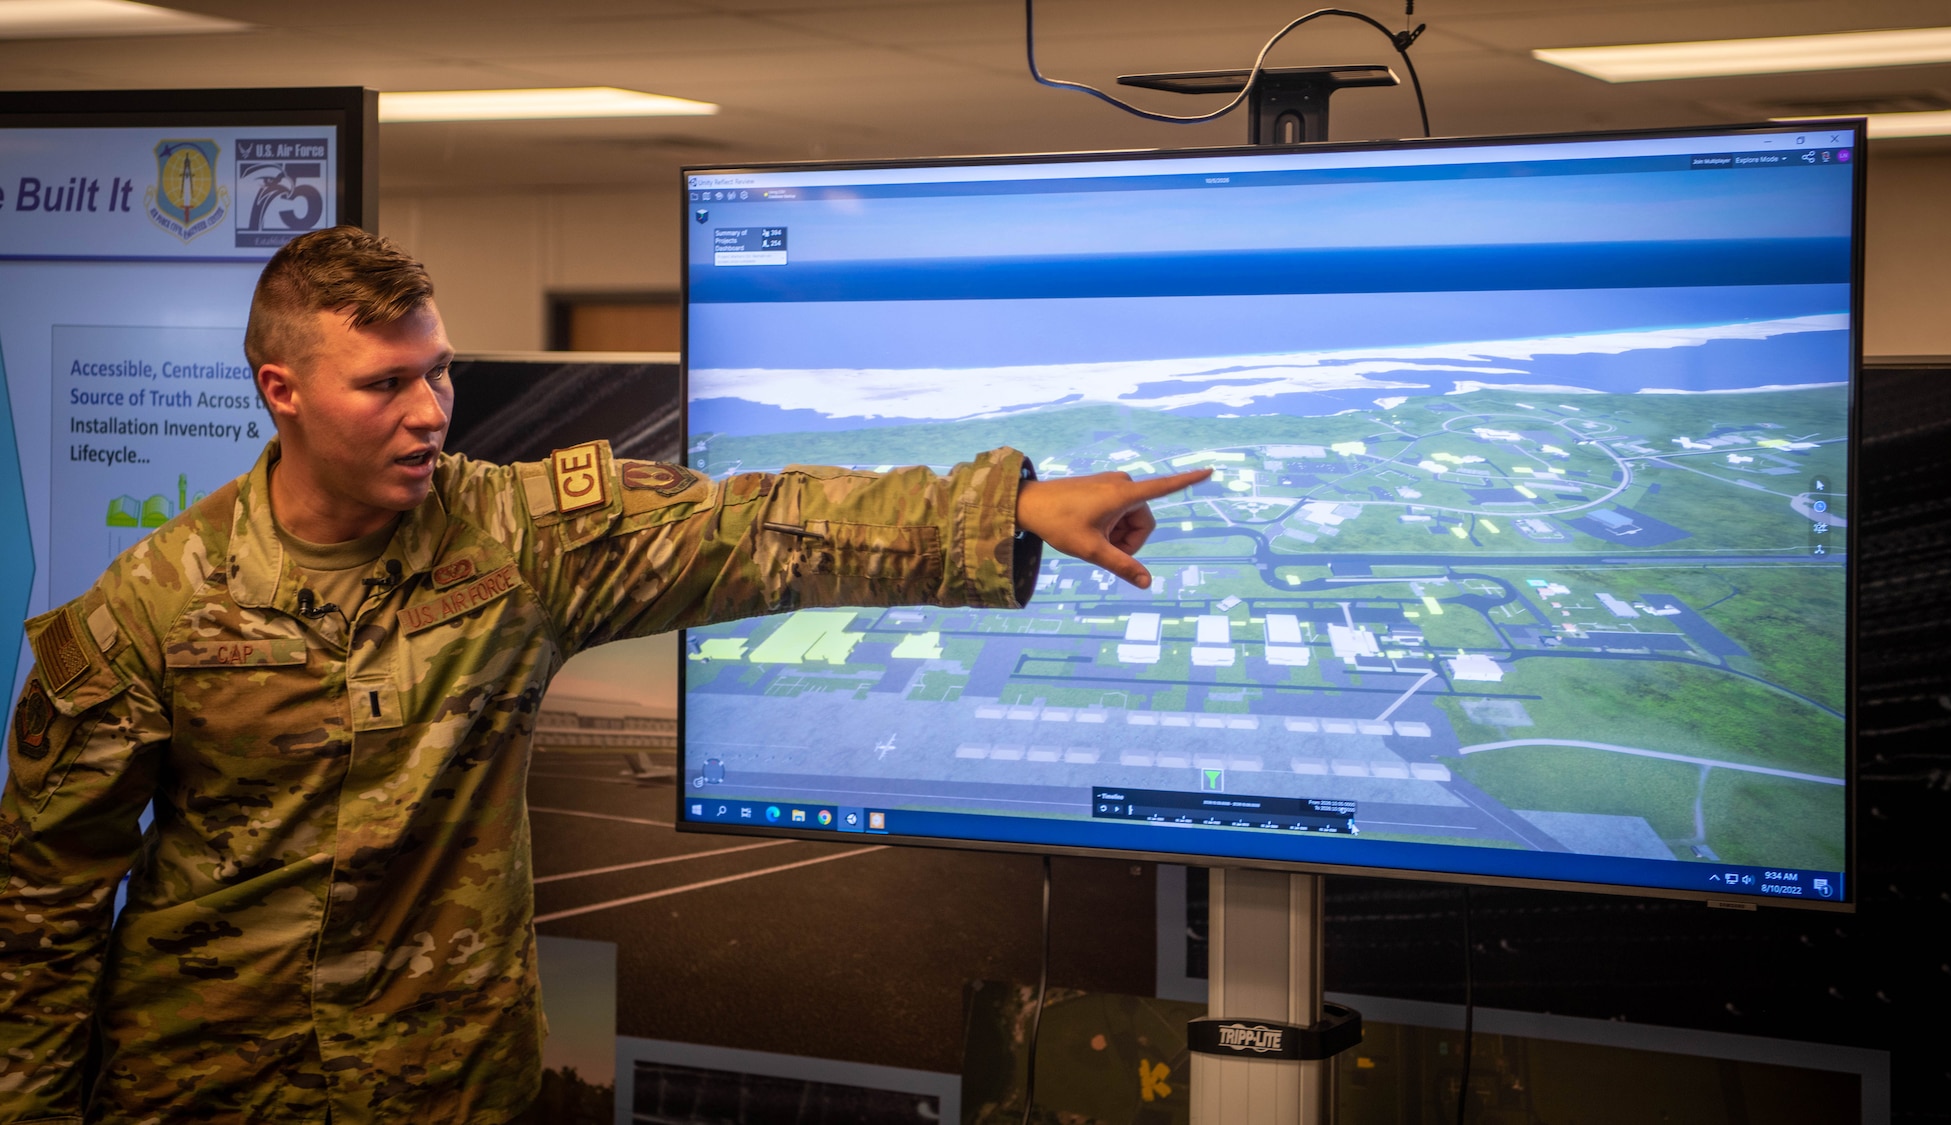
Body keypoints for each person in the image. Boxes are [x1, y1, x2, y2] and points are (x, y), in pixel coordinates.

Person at [0, 226, 1207, 1122]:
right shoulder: (153, 607)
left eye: (439, 371)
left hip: (446, 1089)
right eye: (385, 384)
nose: (429, 411)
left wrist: (1011, 509)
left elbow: (757, 525)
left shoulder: (517, 540)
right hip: (213, 1093)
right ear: (283, 393)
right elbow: (41, 910)